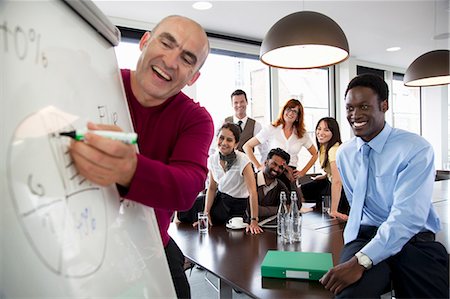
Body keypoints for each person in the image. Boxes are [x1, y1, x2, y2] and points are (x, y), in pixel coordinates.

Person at [68, 15, 214, 299]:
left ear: (193, 77)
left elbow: (187, 187)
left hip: (151, 252)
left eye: (186, 59)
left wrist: (130, 169)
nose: (170, 62)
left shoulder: (195, 118)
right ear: (144, 42)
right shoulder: (94, 82)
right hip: (79, 251)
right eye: (166, 43)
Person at [320, 74, 449, 298]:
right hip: (366, 236)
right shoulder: (345, 154)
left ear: (384, 105)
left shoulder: (416, 149)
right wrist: (357, 252)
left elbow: (407, 218)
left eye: (364, 106)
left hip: (412, 238)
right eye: (350, 108)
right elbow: (357, 205)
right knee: (348, 295)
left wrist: (361, 261)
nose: (355, 115)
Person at [243, 99, 318, 190]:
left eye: (295, 111)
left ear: (298, 117)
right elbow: (247, 146)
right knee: (269, 201)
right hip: (271, 173)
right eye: (289, 109)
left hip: (290, 175)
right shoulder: (271, 129)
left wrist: (303, 172)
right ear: (283, 111)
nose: (291, 113)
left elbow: (315, 154)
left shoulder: (302, 134)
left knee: (290, 201)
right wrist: (258, 166)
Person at [300, 117, 349, 220]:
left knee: (322, 204)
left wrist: (334, 210)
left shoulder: (334, 150)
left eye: (326, 130)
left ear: (333, 133)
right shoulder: (324, 146)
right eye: (319, 128)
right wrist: (325, 175)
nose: (321, 133)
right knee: (301, 190)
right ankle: (305, 209)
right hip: (329, 181)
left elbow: (337, 181)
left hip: (342, 189)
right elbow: (337, 170)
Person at [255, 148, 291, 219]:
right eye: (274, 164)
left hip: (268, 227)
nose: (276, 169)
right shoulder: (251, 180)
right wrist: (281, 209)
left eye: (281, 167)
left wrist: (292, 181)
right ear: (266, 162)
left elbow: (294, 206)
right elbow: (251, 210)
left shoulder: (280, 185)